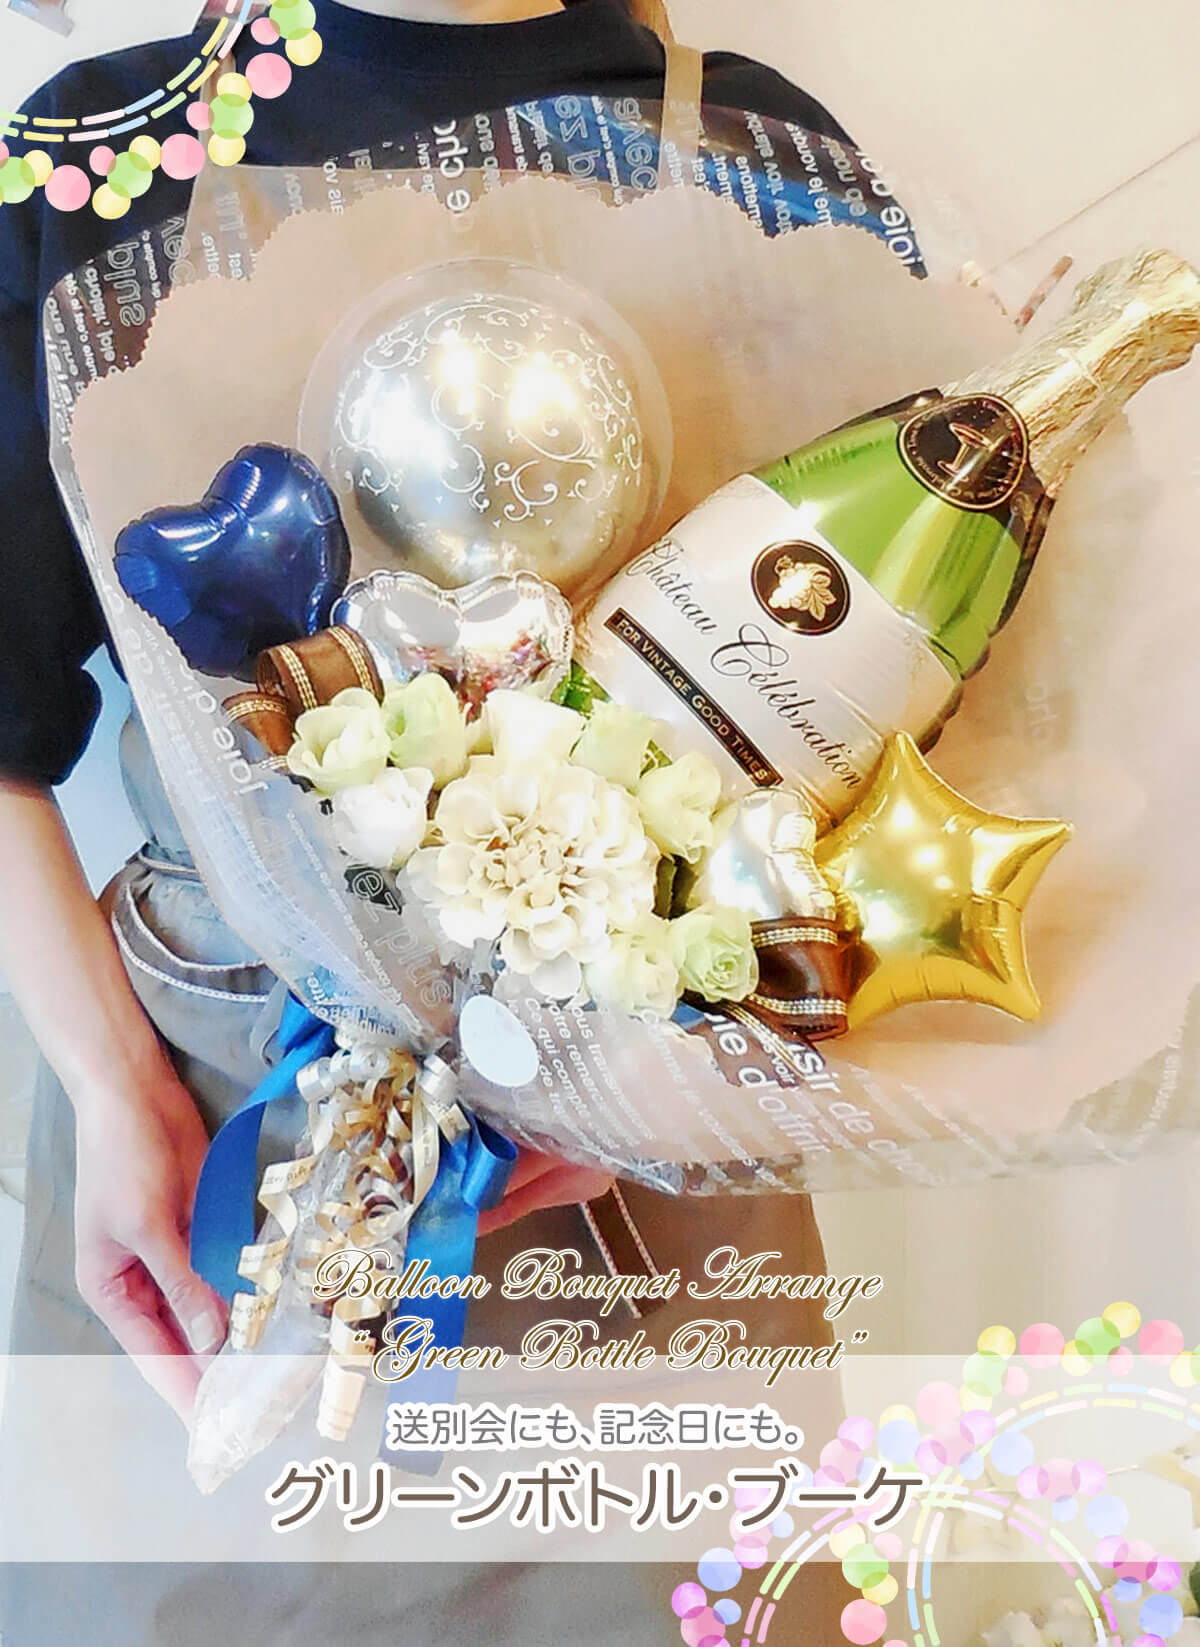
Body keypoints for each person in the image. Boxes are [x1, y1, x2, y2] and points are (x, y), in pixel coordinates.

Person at [0, 1, 880, 1640]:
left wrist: (671, 1085)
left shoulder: (758, 153)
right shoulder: (102, 163)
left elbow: (896, 743)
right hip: (222, 1157)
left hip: (647, 1148)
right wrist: (112, 1092)